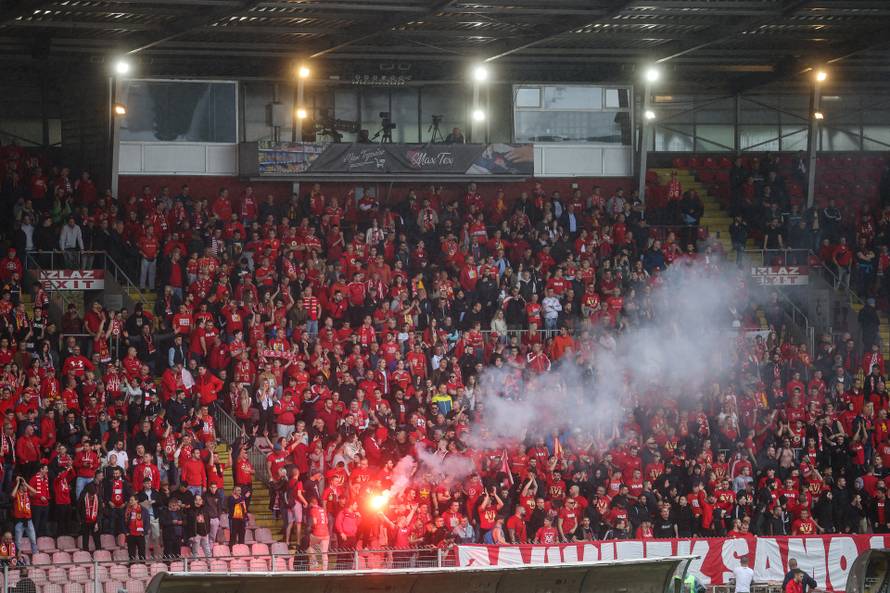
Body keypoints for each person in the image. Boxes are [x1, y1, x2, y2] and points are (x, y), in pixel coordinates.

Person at [307, 497, 330, 571]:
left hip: (317, 533)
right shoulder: (323, 509)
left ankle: (315, 563)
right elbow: (326, 521)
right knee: (324, 553)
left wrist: (312, 527)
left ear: (311, 503)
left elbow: (315, 522)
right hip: (326, 533)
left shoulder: (313, 510)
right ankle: (325, 570)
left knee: (310, 547)